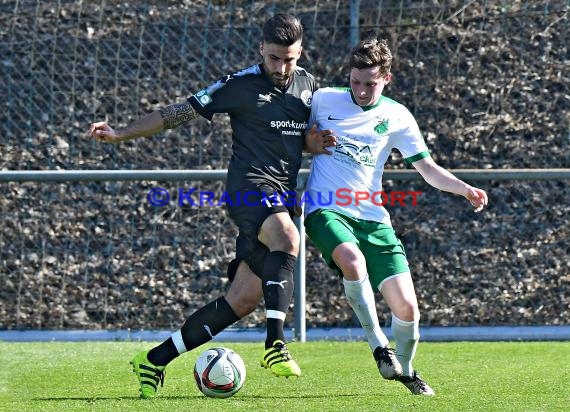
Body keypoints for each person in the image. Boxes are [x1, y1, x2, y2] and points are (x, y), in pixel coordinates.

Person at [89, 14, 333, 398]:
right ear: (261, 51)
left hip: (280, 194)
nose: (281, 67)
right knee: (288, 237)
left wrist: (312, 145)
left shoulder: (308, 86)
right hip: (247, 188)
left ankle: (154, 360)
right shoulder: (239, 85)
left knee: (242, 299)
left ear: (300, 53)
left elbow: (295, 139)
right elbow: (178, 112)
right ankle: (275, 345)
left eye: (288, 59)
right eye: (273, 58)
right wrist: (122, 133)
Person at [303, 38, 488, 396]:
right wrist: (307, 145)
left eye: (370, 83)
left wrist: (464, 189)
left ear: (387, 77)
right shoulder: (323, 99)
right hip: (325, 207)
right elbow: (288, 138)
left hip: (373, 219)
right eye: (355, 81)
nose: (360, 89)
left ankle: (408, 371)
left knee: (408, 312)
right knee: (352, 261)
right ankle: (378, 344)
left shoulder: (398, 116)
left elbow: (428, 169)